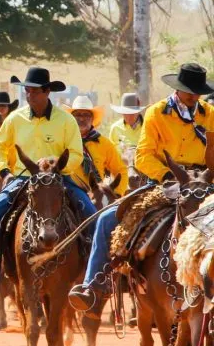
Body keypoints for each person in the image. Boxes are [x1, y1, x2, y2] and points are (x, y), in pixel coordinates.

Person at [68, 63, 214, 316]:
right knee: (105, 220)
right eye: (189, 91)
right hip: (164, 180)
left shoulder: (209, 113)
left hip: (203, 180)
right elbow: (143, 155)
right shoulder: (157, 113)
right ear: (178, 89)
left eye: (197, 92)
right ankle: (93, 286)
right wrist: (169, 175)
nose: (193, 97)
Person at [0, 68, 92, 292]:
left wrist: (58, 166)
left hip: (59, 179)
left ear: (47, 91)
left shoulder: (66, 120)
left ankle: (92, 278)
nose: (29, 95)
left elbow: (76, 153)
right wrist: (5, 172)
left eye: (33, 91)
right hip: (23, 178)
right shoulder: (15, 118)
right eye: (27, 91)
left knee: (90, 212)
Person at [65, 95, 127, 197]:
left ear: (92, 119)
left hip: (97, 196)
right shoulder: (64, 140)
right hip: (69, 192)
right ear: (72, 118)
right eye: (78, 115)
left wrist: (117, 193)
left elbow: (121, 170)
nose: (81, 118)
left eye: (86, 115)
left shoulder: (103, 143)